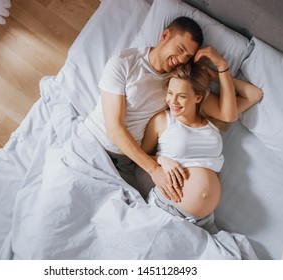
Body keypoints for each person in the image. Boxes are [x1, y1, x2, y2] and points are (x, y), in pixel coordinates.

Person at [84, 16, 238, 198]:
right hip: (94, 144)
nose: (181, 59)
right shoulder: (125, 62)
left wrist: (220, 69)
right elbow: (114, 129)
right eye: (180, 49)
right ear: (165, 35)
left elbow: (227, 114)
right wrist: (155, 169)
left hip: (127, 162)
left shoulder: (178, 82)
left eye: (187, 56)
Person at [141, 62, 263, 233]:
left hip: (204, 221)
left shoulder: (211, 124)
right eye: (170, 93)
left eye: (182, 96)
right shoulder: (162, 120)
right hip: (168, 209)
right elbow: (140, 158)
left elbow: (254, 95)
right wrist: (161, 160)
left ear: (198, 98)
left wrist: (216, 75)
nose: (173, 101)